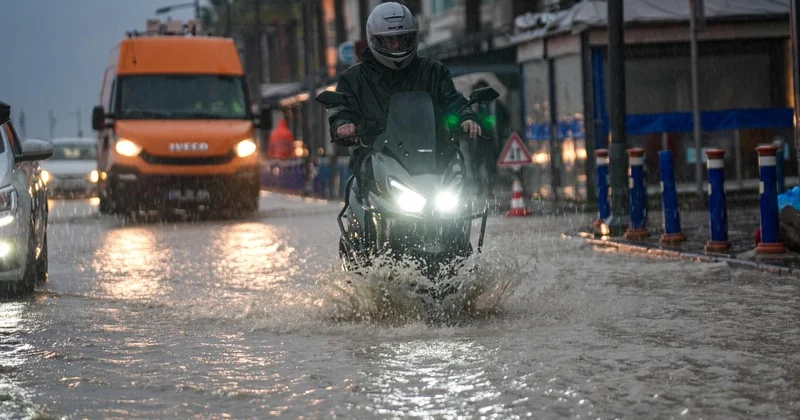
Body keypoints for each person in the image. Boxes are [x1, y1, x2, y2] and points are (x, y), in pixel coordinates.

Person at [329, 2, 482, 194]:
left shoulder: (433, 71)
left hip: (434, 158)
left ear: (413, 37)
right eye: (388, 41)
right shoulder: (354, 78)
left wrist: (466, 117)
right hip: (377, 161)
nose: (396, 46)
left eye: (402, 39)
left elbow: (453, 100)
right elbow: (343, 109)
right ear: (373, 40)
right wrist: (344, 124)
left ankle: (467, 210)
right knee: (360, 194)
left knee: (460, 194)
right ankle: (363, 211)